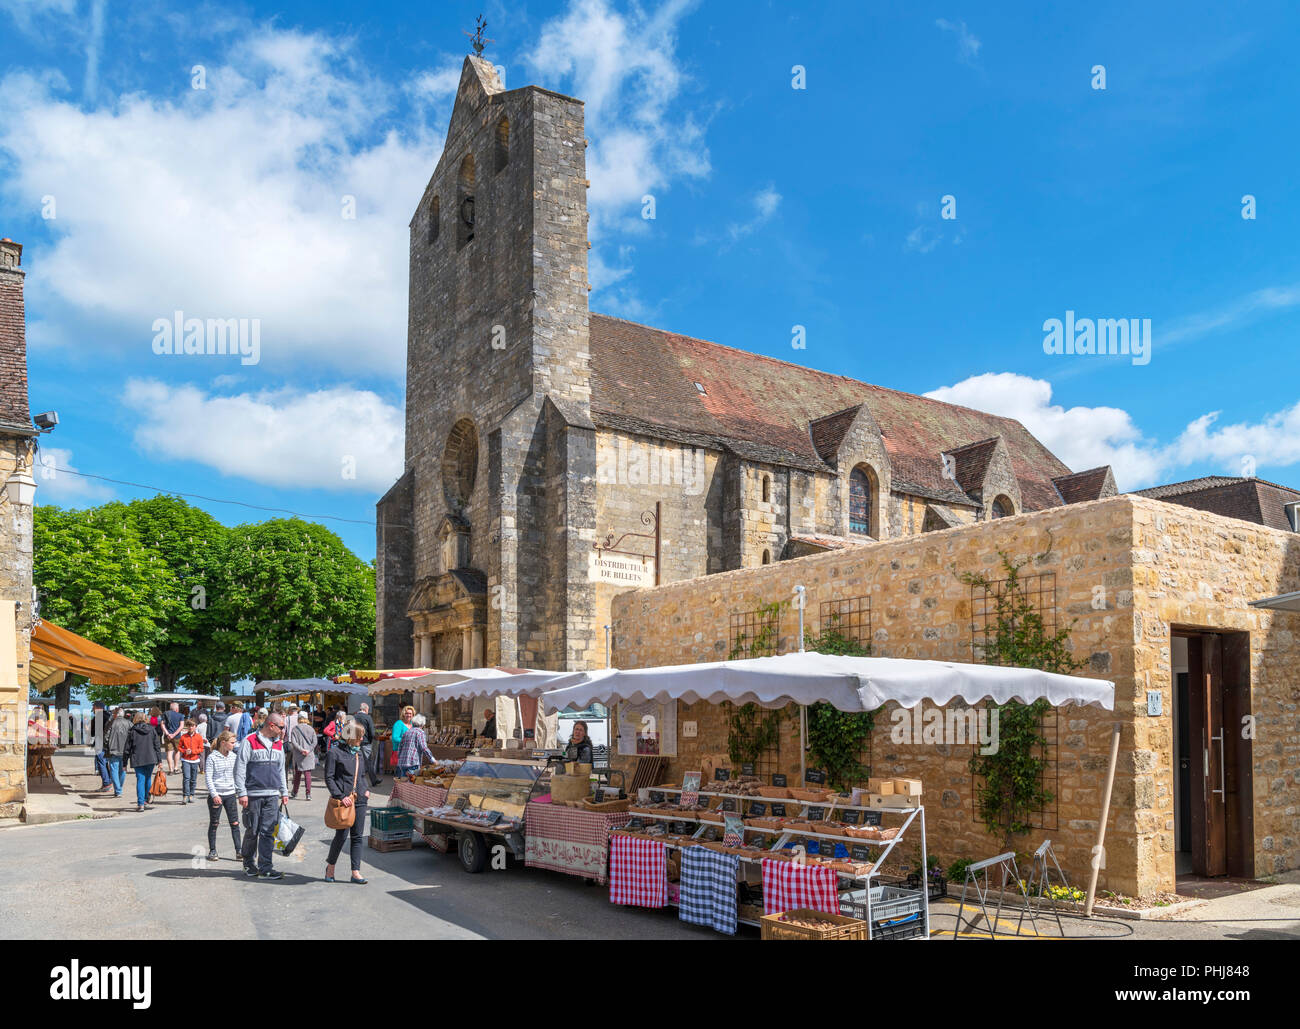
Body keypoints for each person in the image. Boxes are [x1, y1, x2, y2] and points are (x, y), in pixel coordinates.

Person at [234, 711, 290, 880]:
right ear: (271, 725)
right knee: (252, 830)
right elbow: (240, 768)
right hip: (253, 794)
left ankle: (266, 866)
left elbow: (281, 770)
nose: (283, 730)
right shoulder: (249, 741)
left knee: (268, 832)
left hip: (272, 795)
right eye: (281, 727)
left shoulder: (279, 744)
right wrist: (241, 792)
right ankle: (249, 863)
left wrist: (284, 791)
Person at [324, 718, 371, 885]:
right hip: (343, 801)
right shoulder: (334, 753)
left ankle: (355, 871)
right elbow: (329, 778)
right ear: (351, 736)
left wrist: (365, 790)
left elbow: (363, 775)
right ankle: (330, 866)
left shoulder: (359, 752)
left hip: (359, 799)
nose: (362, 740)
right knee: (341, 836)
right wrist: (339, 796)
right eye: (359, 736)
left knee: (357, 837)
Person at [205, 730, 242, 862]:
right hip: (217, 795)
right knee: (214, 823)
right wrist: (214, 794)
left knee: (235, 823)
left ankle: (239, 851)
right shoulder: (212, 757)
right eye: (232, 743)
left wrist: (240, 791)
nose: (234, 745)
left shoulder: (233, 756)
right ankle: (212, 850)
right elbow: (208, 777)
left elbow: (237, 775)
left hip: (230, 794)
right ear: (223, 743)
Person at [125, 711, 164, 812]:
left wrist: (124, 763)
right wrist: (159, 760)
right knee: (148, 779)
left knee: (140, 780)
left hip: (138, 758)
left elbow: (127, 748)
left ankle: (141, 803)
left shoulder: (132, 731)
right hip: (151, 758)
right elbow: (157, 746)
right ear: (146, 718)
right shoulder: (152, 729)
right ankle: (146, 799)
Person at [288, 713, 317, 799]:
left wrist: (301, 749)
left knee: (297, 774)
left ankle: (294, 792)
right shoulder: (311, 729)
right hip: (309, 754)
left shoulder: (295, 729)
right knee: (308, 774)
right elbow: (315, 742)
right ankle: (308, 794)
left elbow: (294, 742)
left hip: (299, 755)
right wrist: (308, 750)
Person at [395, 713, 434, 778]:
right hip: (413, 762)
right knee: (411, 782)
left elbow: (400, 747)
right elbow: (424, 748)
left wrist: (400, 758)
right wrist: (432, 759)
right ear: (422, 724)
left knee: (404, 783)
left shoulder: (407, 732)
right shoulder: (420, 732)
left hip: (403, 762)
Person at [176, 720, 205, 803]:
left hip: (195, 760)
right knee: (186, 778)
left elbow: (201, 749)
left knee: (193, 779)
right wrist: (185, 751)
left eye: (192, 726)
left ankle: (191, 795)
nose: (190, 727)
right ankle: (185, 795)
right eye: (189, 726)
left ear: (195, 726)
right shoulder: (183, 737)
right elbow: (179, 747)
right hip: (185, 760)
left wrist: (193, 751)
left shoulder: (199, 737)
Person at [105, 707, 131, 798]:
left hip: (113, 750)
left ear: (116, 714)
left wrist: (106, 746)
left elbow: (106, 737)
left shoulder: (111, 723)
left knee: (114, 770)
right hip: (125, 751)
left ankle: (118, 790)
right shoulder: (129, 723)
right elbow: (132, 737)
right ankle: (119, 788)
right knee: (122, 770)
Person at [354, 703, 382, 787]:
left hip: (356, 742)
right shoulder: (368, 717)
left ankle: (356, 781)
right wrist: (370, 740)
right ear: (366, 709)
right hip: (366, 743)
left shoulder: (354, 717)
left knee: (356, 761)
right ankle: (373, 780)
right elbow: (372, 732)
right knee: (369, 762)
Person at [90, 704, 112, 791]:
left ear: (97, 708)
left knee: (101, 763)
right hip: (109, 742)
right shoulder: (109, 716)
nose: (93, 710)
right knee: (105, 763)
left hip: (100, 742)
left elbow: (93, 732)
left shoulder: (98, 717)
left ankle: (106, 783)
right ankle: (108, 782)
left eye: (93, 708)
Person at [162, 701, 184, 774]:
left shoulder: (165, 714)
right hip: (177, 736)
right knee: (177, 752)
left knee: (169, 753)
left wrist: (168, 733)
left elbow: (162, 725)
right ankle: (176, 768)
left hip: (167, 736)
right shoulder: (180, 715)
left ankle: (170, 770)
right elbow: (181, 726)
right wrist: (174, 734)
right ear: (177, 709)